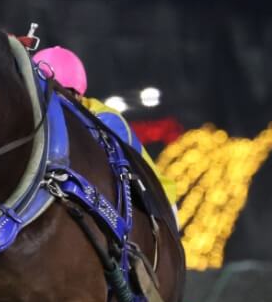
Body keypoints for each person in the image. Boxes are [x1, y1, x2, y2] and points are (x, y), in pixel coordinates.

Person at [32, 45, 180, 211]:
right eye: (44, 94)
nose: (54, 105)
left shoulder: (106, 120)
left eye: (59, 94)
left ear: (78, 94)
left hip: (159, 204)